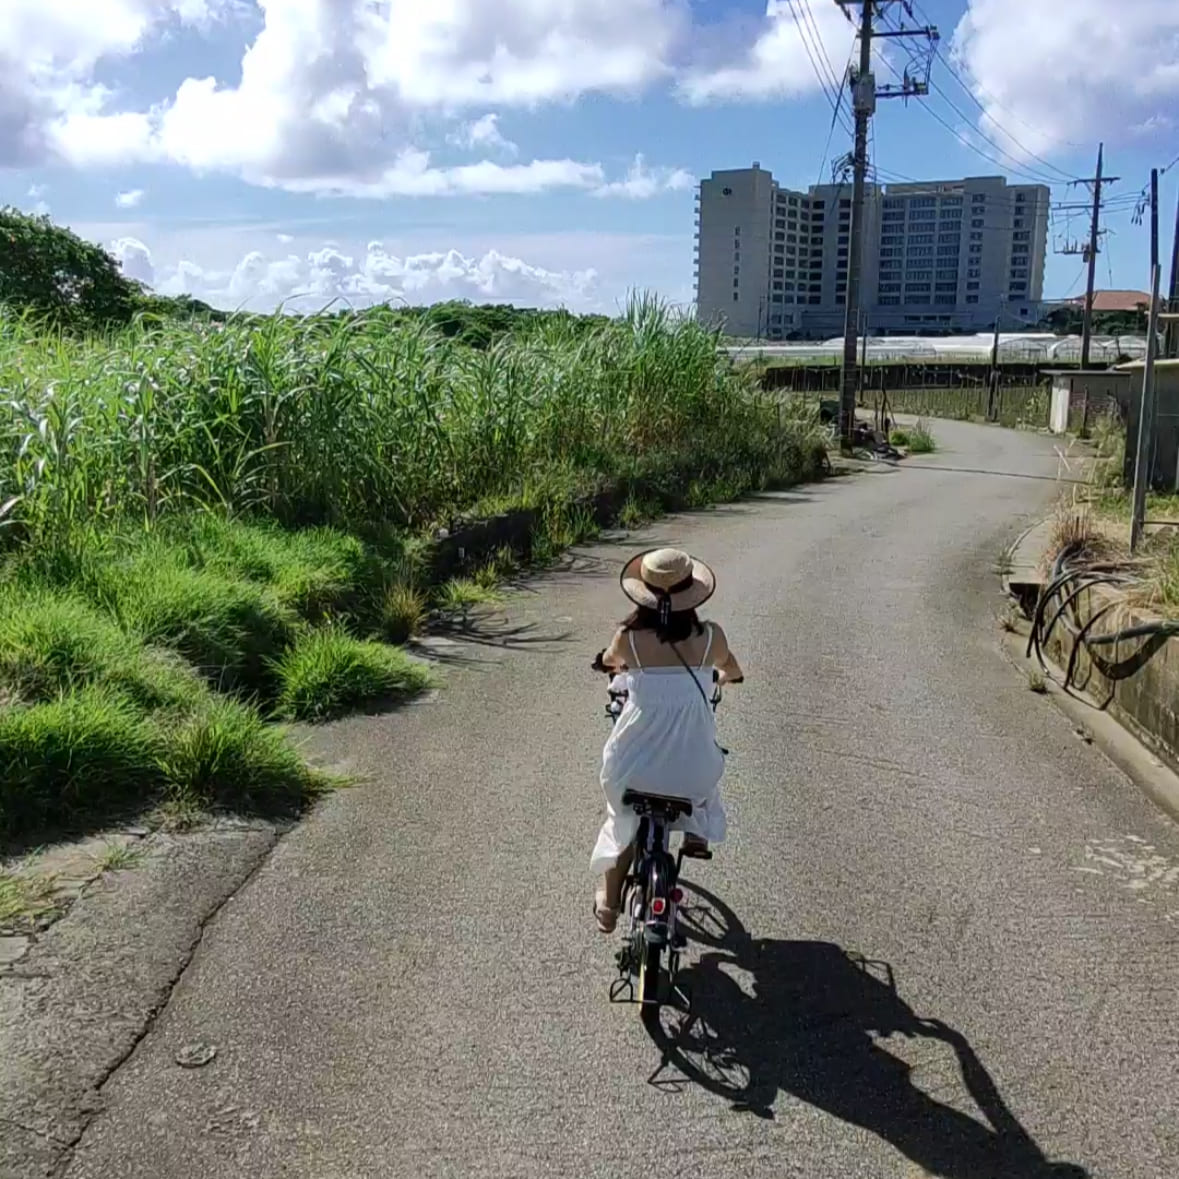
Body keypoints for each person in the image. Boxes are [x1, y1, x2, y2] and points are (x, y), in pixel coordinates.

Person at [590, 547, 744, 933]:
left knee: (623, 816)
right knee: (705, 759)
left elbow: (611, 661)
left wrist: (612, 663)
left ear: (642, 592)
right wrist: (720, 678)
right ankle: (696, 831)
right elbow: (734, 670)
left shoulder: (630, 638)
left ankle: (608, 906)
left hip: (633, 767)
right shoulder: (711, 638)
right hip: (691, 774)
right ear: (691, 592)